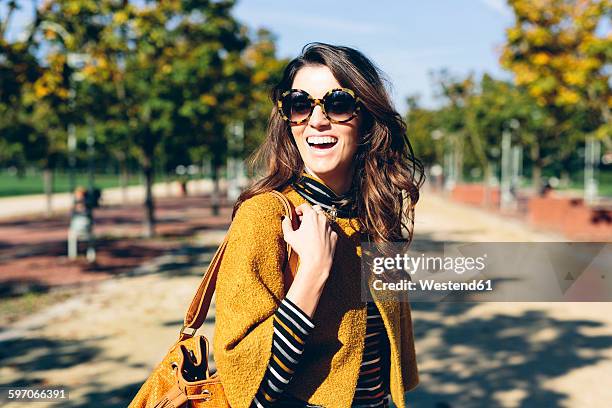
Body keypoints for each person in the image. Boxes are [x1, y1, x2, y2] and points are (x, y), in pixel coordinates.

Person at [213, 42, 425, 408]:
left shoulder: (374, 216)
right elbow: (247, 392)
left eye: (337, 104)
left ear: (367, 118)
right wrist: (312, 273)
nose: (316, 120)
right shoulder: (263, 216)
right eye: (299, 105)